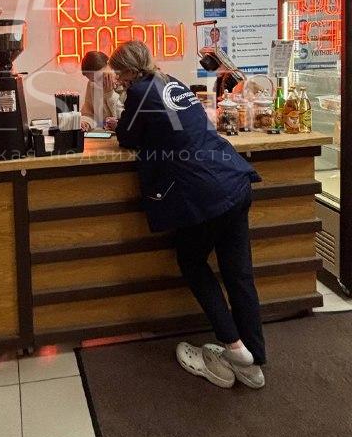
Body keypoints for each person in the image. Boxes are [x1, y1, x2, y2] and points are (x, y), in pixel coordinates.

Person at [107, 40, 266, 390]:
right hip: (233, 180)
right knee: (239, 274)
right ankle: (254, 359)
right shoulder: (171, 82)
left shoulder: (139, 92)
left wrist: (120, 115)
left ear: (130, 70)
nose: (117, 78)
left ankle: (234, 347)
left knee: (192, 263)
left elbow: (126, 137)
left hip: (202, 193)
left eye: (118, 72)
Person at [80, 50, 124, 131]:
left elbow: (123, 118)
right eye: (93, 80)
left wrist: (110, 94)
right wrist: (86, 123)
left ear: (110, 65)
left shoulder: (126, 82)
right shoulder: (92, 85)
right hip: (102, 135)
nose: (98, 84)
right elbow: (89, 113)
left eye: (100, 77)